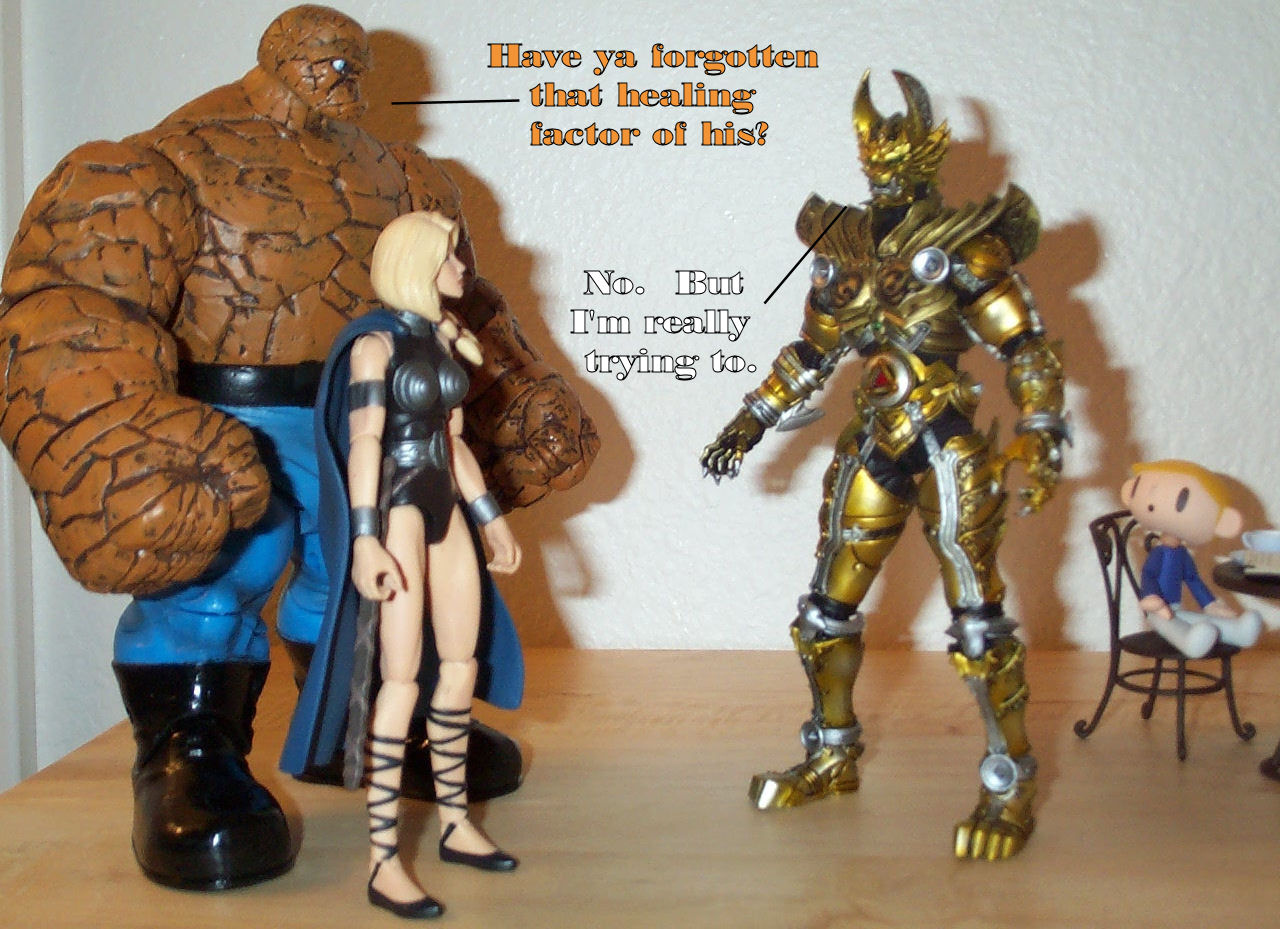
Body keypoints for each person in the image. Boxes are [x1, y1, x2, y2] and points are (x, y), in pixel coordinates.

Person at [0, 5, 596, 890]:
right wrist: (130, 435)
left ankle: (369, 719)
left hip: (366, 406)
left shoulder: (400, 177)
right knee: (224, 563)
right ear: (277, 58)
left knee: (368, 568)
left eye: (350, 60)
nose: (339, 73)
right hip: (226, 407)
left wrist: (513, 394)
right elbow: (78, 308)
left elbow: (452, 303)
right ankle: (188, 750)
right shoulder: (168, 161)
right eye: (321, 58)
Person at [701, 71, 1067, 860]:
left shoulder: (965, 243)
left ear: (929, 155)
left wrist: (1041, 430)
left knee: (977, 621)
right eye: (875, 151)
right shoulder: (845, 246)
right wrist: (751, 418)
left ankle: (1008, 779)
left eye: (899, 151)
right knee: (823, 614)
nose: (885, 165)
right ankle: (832, 753)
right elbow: (813, 350)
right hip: (873, 438)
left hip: (945, 438)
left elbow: (1025, 345)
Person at [1121, 459, 1261, 658]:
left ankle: (1238, 632)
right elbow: (1148, 574)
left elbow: (1194, 580)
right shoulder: (1159, 554)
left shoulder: (1183, 555)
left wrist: (1210, 605)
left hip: (1176, 609)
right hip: (1156, 613)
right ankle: (1189, 642)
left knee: (1196, 621)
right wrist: (1150, 597)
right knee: (1172, 625)